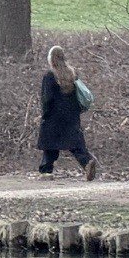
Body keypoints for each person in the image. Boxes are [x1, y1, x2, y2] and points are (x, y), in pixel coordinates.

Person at [37, 45, 97, 180]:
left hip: (54, 116)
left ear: (51, 59)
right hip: (71, 116)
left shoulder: (50, 76)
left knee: (50, 144)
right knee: (75, 144)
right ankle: (87, 162)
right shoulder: (73, 74)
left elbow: (47, 99)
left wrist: (44, 115)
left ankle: (46, 171)